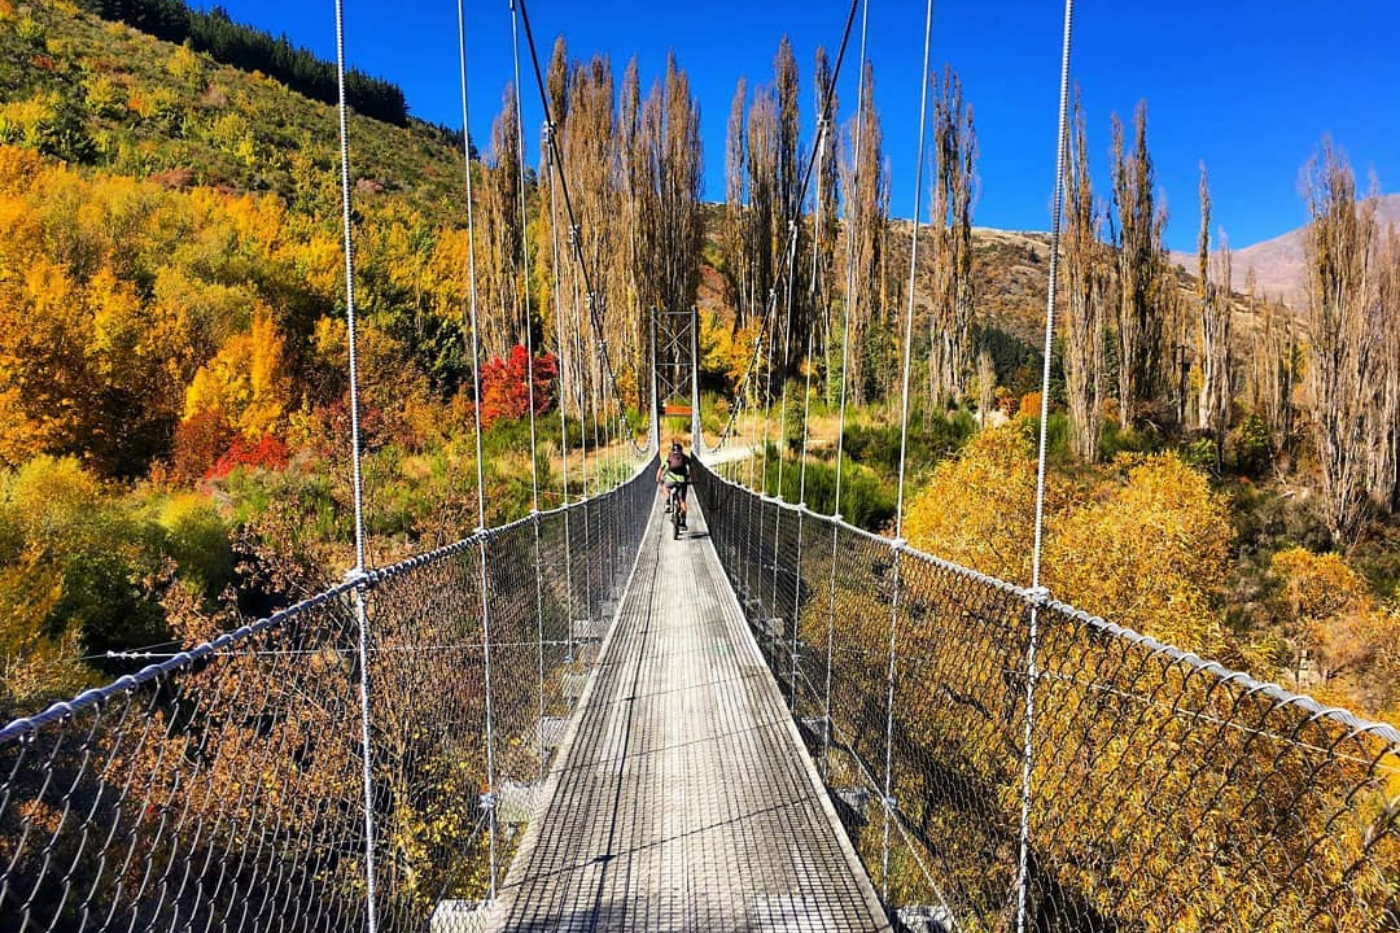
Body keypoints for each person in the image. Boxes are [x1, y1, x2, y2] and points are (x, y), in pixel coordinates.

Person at [657, 441, 690, 529]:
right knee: (682, 501)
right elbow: (692, 469)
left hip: (670, 480)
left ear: (672, 450)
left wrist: (658, 478)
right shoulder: (685, 457)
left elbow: (661, 468)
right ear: (681, 450)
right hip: (682, 482)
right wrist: (693, 479)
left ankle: (668, 500)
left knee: (665, 487)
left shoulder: (668, 456)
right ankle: (683, 522)